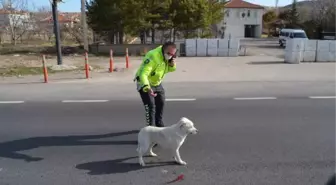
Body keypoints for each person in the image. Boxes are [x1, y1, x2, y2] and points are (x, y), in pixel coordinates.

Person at [134, 42, 177, 127]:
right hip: (144, 82)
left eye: (173, 54)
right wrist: (147, 87)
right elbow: (143, 73)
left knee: (161, 103)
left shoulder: (168, 56)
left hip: (157, 83)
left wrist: (172, 65)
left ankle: (159, 124)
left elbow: (168, 69)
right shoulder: (153, 56)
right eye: (169, 54)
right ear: (164, 50)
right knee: (151, 107)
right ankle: (150, 129)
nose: (170, 56)